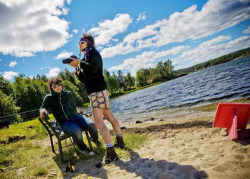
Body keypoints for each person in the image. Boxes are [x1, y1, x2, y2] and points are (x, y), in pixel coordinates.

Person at [68, 33, 125, 164]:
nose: (79, 44)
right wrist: (77, 67)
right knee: (109, 117)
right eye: (79, 42)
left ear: (88, 42)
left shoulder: (93, 53)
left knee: (98, 122)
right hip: (99, 92)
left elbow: (93, 68)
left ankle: (111, 152)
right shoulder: (87, 56)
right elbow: (83, 79)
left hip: (97, 92)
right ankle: (120, 140)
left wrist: (80, 62)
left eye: (81, 41)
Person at [40, 77, 101, 156]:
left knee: (92, 125)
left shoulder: (68, 94)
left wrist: (77, 115)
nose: (58, 87)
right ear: (51, 88)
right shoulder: (49, 98)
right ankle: (83, 149)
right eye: (55, 86)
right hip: (64, 122)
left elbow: (73, 105)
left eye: (59, 85)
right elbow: (42, 107)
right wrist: (42, 110)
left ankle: (94, 139)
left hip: (76, 117)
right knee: (77, 131)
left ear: (62, 85)